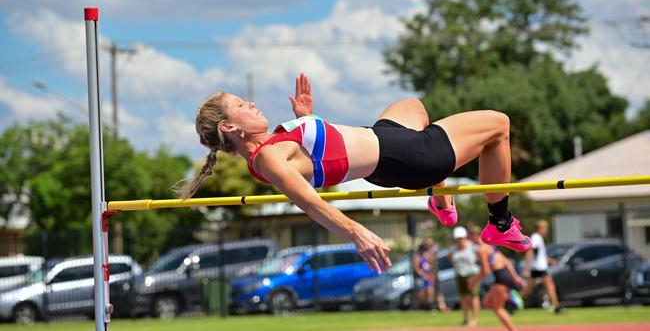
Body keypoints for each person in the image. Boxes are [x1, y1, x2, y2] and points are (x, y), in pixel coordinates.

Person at [180, 73, 531, 273]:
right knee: (499, 124)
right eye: (242, 105)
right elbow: (312, 203)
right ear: (229, 127)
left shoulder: (276, 142)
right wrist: (356, 232)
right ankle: (500, 223)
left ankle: (439, 194)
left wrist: (306, 116)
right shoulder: (268, 157)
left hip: (386, 142)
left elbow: (325, 151)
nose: (252, 104)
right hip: (407, 157)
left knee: (413, 106)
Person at [468, 228, 525, 331]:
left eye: (470, 238)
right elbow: (506, 261)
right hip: (503, 276)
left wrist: (473, 280)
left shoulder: (482, 249)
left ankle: (512, 307)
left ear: (473, 236)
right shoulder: (490, 247)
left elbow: (485, 271)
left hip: (501, 278)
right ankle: (509, 300)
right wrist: (515, 276)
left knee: (497, 308)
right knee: (486, 303)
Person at [520, 220, 561, 313]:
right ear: (540, 228)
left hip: (537, 267)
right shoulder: (536, 237)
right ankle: (556, 306)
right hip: (539, 267)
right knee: (550, 284)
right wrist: (526, 267)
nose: (546, 230)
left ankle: (512, 303)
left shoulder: (538, 238)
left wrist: (551, 261)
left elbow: (539, 255)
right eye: (545, 228)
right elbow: (530, 251)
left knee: (528, 289)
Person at [450, 226, 480, 326]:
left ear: (465, 237)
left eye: (461, 238)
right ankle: (465, 318)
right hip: (459, 274)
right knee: (463, 296)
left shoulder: (471, 245)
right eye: (457, 238)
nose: (459, 240)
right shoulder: (453, 248)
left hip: (471, 274)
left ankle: (475, 318)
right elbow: (450, 258)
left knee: (473, 296)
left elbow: (481, 254)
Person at [424, 237, 448, 312]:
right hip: (429, 275)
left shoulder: (434, 251)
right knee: (431, 291)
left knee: (438, 291)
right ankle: (433, 306)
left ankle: (441, 306)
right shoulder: (427, 252)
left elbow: (433, 258)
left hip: (434, 274)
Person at [412, 242, 434, 310]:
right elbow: (416, 268)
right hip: (420, 278)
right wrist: (423, 275)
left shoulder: (426, 255)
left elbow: (429, 264)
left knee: (430, 291)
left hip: (427, 276)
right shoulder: (417, 256)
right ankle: (416, 307)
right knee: (421, 294)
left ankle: (430, 306)